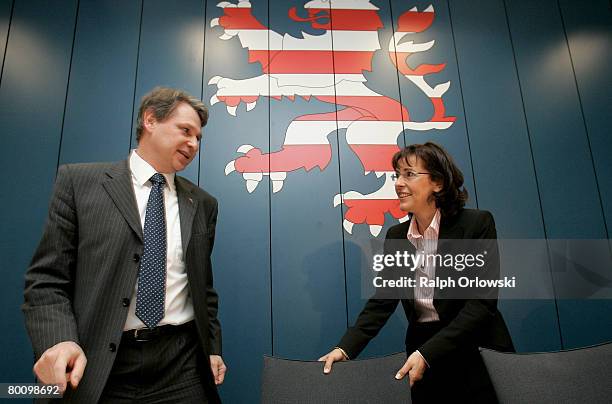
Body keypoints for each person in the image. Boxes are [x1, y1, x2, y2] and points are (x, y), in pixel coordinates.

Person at [23, 87, 226, 403]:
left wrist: (212, 347)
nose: (193, 143)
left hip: (181, 365)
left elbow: (204, 289)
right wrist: (58, 340)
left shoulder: (202, 204)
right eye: (185, 131)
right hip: (100, 364)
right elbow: (47, 281)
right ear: (150, 120)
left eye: (199, 138)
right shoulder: (79, 183)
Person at [319, 142, 514, 403]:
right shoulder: (396, 236)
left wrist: (427, 353)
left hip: (475, 350)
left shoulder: (476, 224)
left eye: (409, 174)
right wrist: (345, 348)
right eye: (396, 175)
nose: (398, 183)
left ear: (438, 183)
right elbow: (382, 301)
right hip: (421, 355)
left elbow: (481, 305)